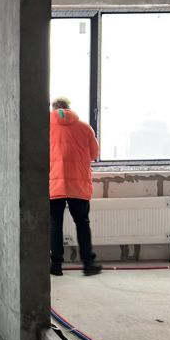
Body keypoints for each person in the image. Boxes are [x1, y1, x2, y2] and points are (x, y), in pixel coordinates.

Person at [50, 97, 102, 277]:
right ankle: (88, 264)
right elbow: (94, 154)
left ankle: (56, 266)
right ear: (69, 108)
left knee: (55, 225)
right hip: (78, 184)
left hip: (53, 183)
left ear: (53, 109)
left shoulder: (44, 127)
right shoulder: (84, 127)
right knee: (82, 223)